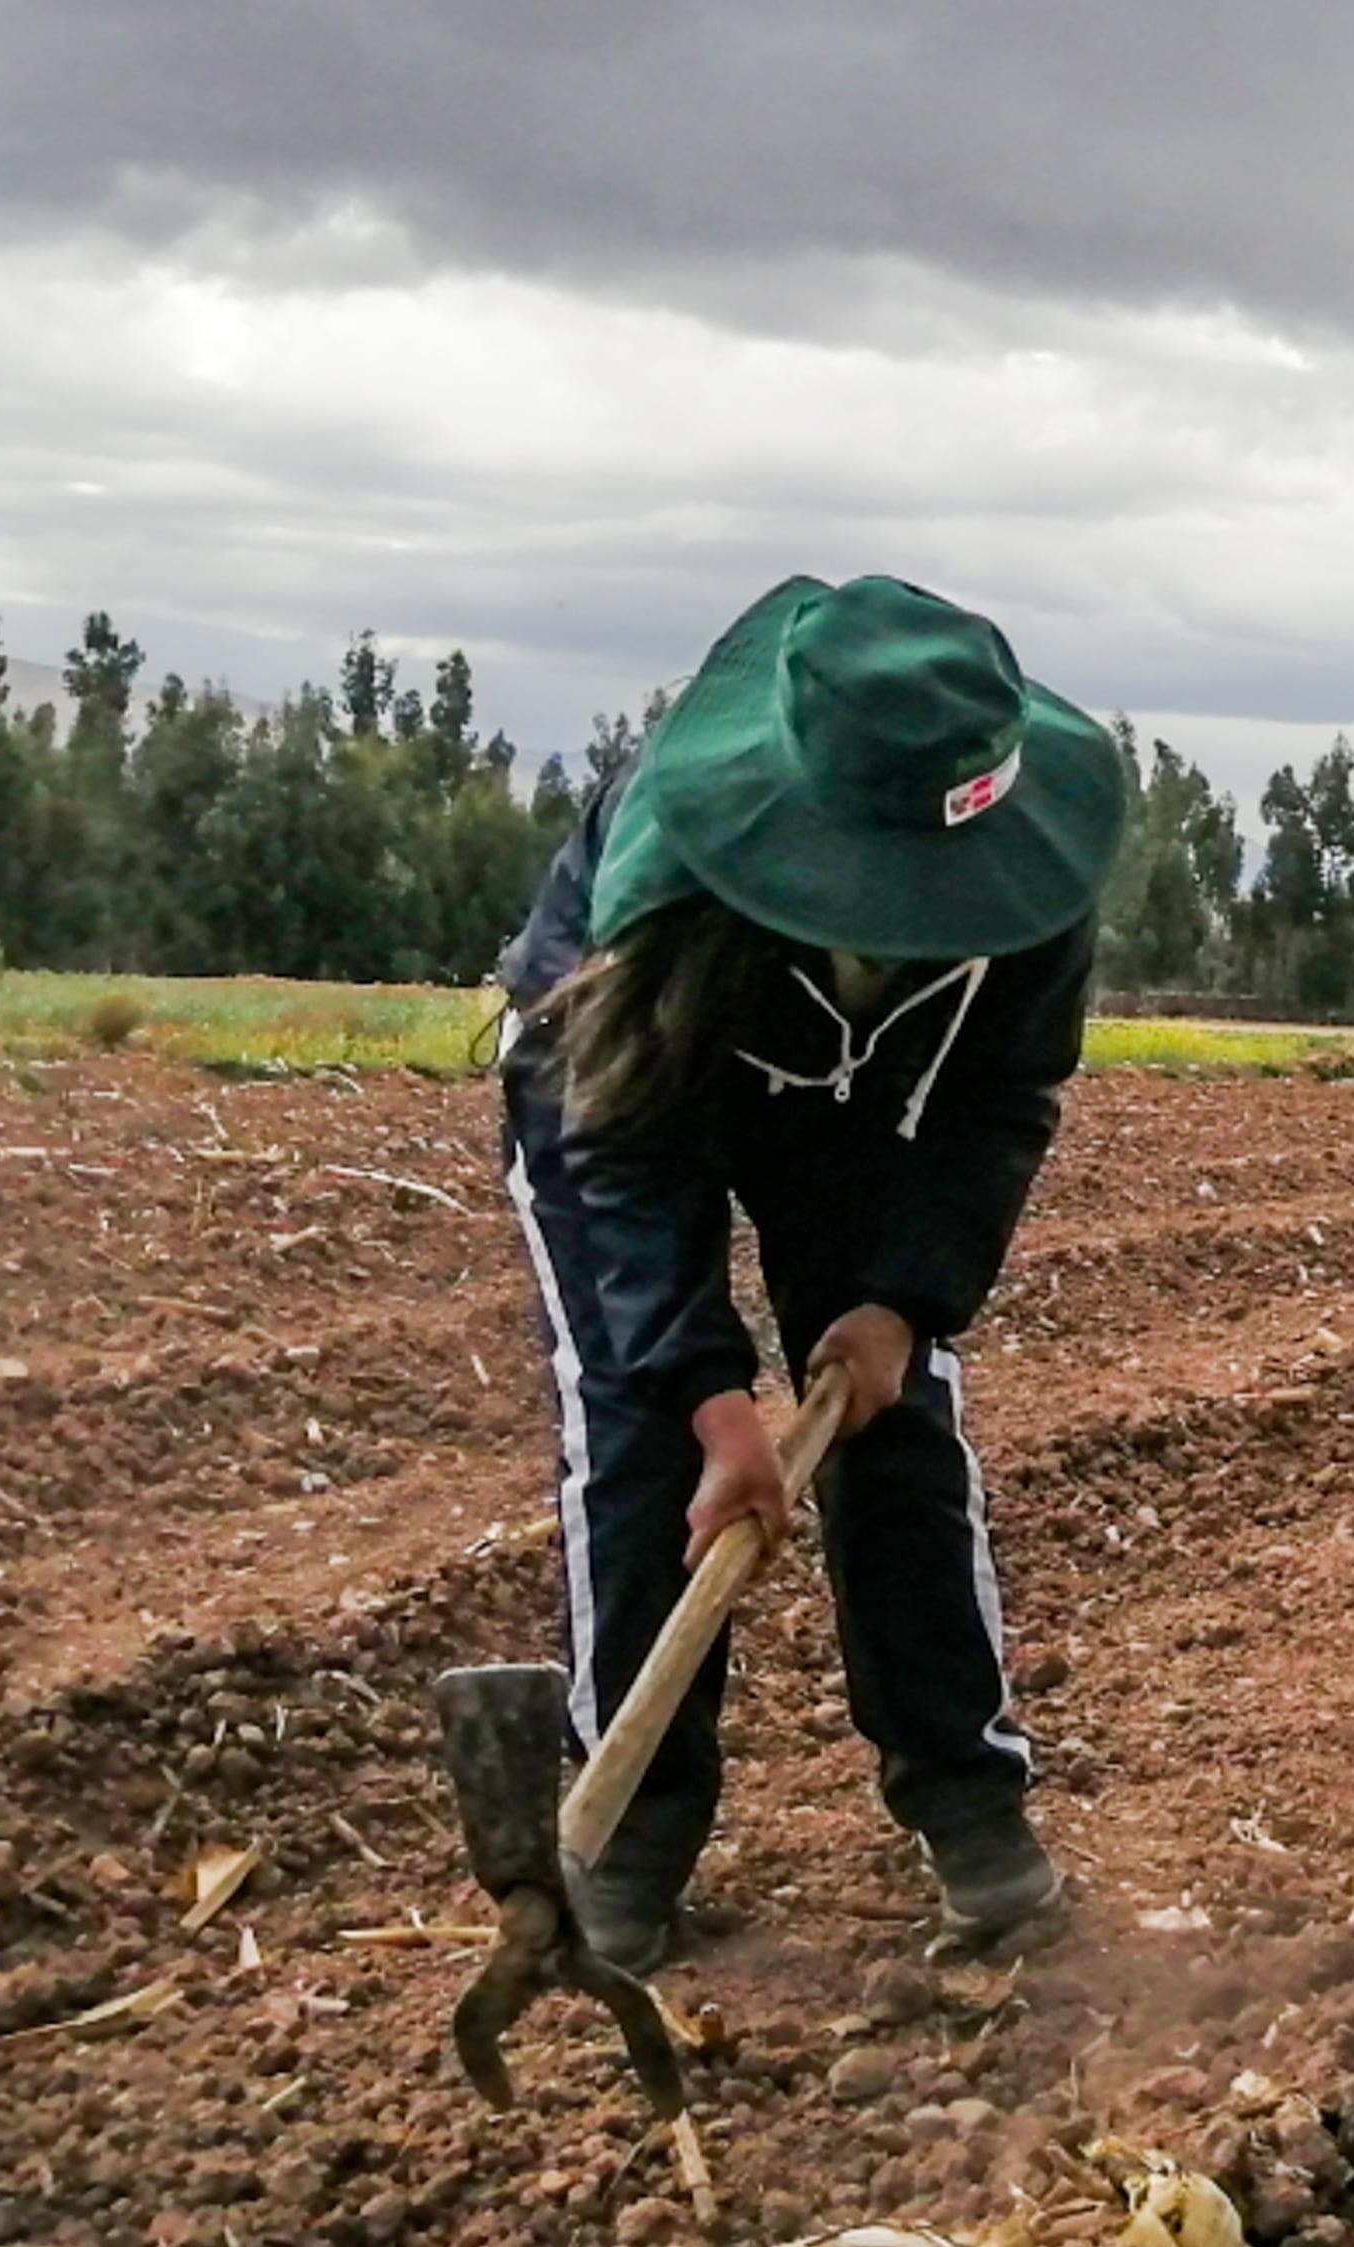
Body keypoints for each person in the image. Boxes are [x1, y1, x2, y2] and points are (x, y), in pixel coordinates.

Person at [495, 575, 1126, 1972]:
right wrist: (709, 1396)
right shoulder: (670, 871)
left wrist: (904, 1297)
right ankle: (630, 1844)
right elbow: (622, 1156)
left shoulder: (1037, 855)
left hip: (864, 1114)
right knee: (645, 1440)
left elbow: (996, 1103)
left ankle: (972, 1814)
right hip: (625, 1088)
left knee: (896, 1429)